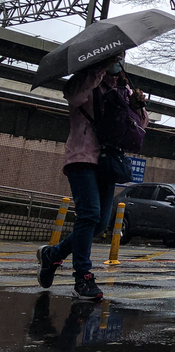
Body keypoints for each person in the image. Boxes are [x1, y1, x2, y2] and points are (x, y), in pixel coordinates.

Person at [36, 55, 148, 300]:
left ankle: (53, 255)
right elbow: (74, 97)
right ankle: (83, 278)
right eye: (114, 58)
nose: (118, 63)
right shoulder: (84, 80)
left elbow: (139, 126)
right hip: (81, 156)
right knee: (89, 214)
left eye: (121, 58)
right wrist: (98, 70)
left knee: (99, 222)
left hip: (108, 161)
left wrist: (137, 105)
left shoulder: (124, 88)